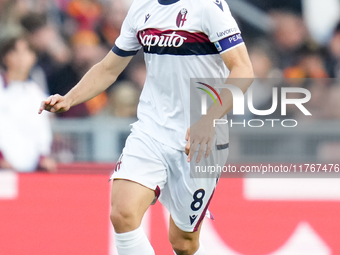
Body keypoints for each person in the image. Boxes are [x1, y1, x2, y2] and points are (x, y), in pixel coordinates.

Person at [39, 0, 253, 254]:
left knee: (183, 242)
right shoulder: (141, 8)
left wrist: (210, 119)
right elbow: (109, 67)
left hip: (201, 137)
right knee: (122, 213)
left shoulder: (207, 7)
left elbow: (243, 69)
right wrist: (70, 98)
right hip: (152, 129)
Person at [0, 35, 56, 172]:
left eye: (27, 52)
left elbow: (42, 131)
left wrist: (43, 157)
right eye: (16, 52)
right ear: (5, 57)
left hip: (29, 169)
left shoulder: (35, 93)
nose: (22, 58)